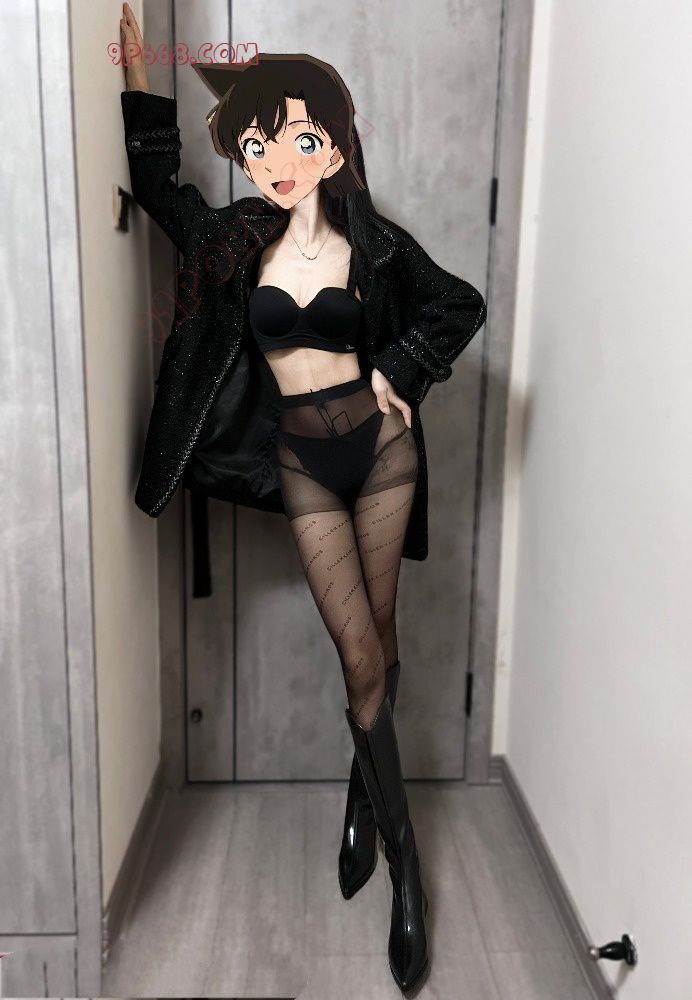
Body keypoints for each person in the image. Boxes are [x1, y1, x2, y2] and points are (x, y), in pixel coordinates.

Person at [119, 4, 487, 993]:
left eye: (293, 137)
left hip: (383, 454)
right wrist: (138, 87)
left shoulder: (377, 243)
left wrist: (400, 366)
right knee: (358, 651)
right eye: (255, 145)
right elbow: (158, 191)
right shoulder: (236, 239)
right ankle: (407, 859)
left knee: (382, 634)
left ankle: (378, 827)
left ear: (332, 141)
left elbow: (460, 303)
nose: (274, 160)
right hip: (304, 463)